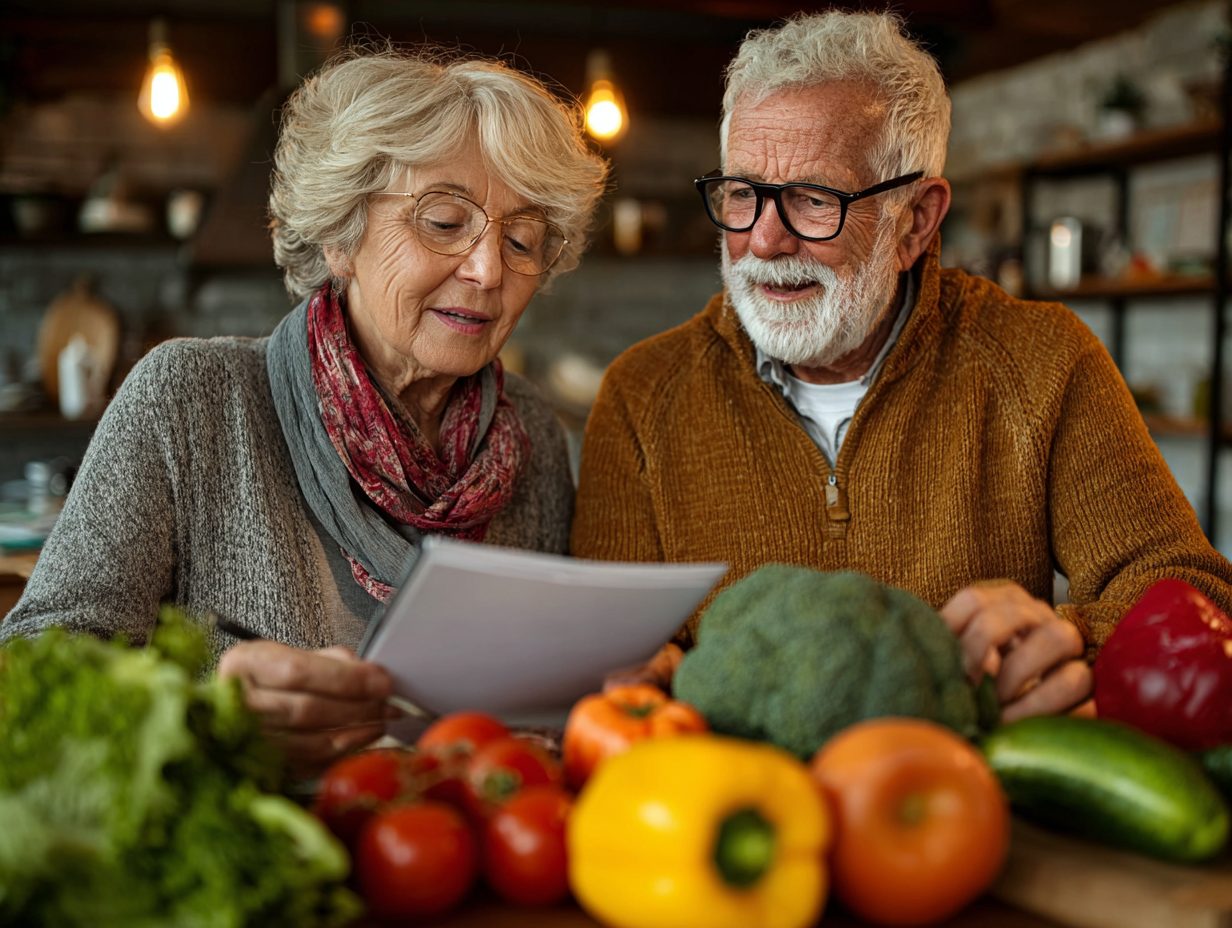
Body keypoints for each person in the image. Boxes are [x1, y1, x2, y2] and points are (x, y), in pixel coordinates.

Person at [573, 11, 1232, 720]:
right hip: (735, 808)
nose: (762, 240)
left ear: (915, 220)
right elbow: (605, 656)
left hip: (968, 807)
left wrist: (1074, 638)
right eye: (742, 193)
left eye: (813, 199)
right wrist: (641, 671)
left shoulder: (1045, 363)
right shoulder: (642, 394)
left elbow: (1194, 593)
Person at [3, 48, 607, 771]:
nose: (488, 270)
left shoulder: (531, 430)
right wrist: (206, 718)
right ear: (341, 235)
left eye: (520, 240)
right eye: (444, 222)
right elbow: (27, 676)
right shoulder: (191, 399)